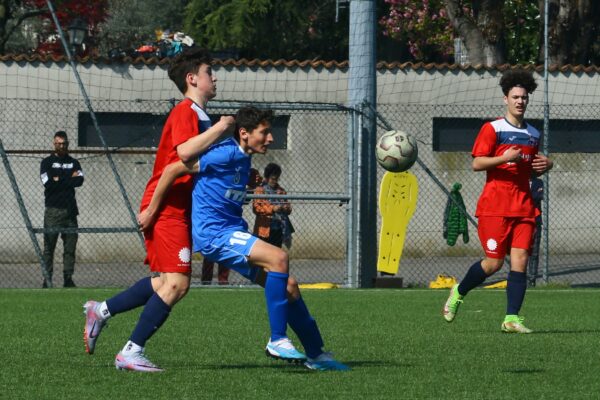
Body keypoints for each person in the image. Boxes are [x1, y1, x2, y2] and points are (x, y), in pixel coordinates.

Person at [148, 106, 349, 371]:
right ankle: (277, 339)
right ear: (244, 133)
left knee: (288, 286)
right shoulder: (224, 153)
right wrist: (151, 210)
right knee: (279, 257)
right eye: (264, 132)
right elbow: (173, 169)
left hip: (232, 232)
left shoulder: (242, 158)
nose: (270, 138)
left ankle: (316, 354)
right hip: (214, 235)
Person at [82, 47, 235, 372]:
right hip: (167, 208)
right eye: (210, 71)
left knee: (164, 282)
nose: (215, 77)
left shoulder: (201, 116)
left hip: (178, 208)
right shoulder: (186, 111)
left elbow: (197, 165)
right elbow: (182, 156)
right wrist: (222, 128)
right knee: (178, 284)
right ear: (192, 78)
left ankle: (102, 311)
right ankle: (130, 352)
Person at [442, 69, 553, 333]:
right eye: (515, 97)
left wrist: (548, 164)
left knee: (520, 260)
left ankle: (511, 318)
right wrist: (505, 158)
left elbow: (530, 168)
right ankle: (459, 290)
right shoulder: (492, 129)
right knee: (493, 263)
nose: (520, 102)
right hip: (495, 206)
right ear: (505, 99)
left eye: (524, 98)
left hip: (524, 206)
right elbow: (477, 163)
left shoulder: (533, 134)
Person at [202, 168, 263, 284]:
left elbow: (244, 200)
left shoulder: (245, 171)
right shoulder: (222, 170)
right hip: (215, 222)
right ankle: (206, 281)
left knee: (227, 253)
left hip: (231, 223)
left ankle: (223, 281)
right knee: (210, 252)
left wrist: (250, 189)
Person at [40, 131, 84, 288]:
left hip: (71, 211)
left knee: (70, 247)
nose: (62, 146)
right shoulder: (46, 162)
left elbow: (79, 180)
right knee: (48, 248)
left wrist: (59, 179)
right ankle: (47, 279)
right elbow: (48, 183)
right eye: (59, 143)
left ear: (68, 144)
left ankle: (68, 278)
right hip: (53, 211)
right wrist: (68, 179)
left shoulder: (74, 162)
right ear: (54, 144)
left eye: (64, 143)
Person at [253, 163, 294, 248]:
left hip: (279, 228)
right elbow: (256, 208)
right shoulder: (260, 190)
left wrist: (286, 208)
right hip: (264, 229)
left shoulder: (281, 191)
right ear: (267, 177)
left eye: (277, 178)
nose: (275, 181)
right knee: (264, 253)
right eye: (273, 179)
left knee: (276, 251)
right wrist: (272, 208)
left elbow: (288, 207)